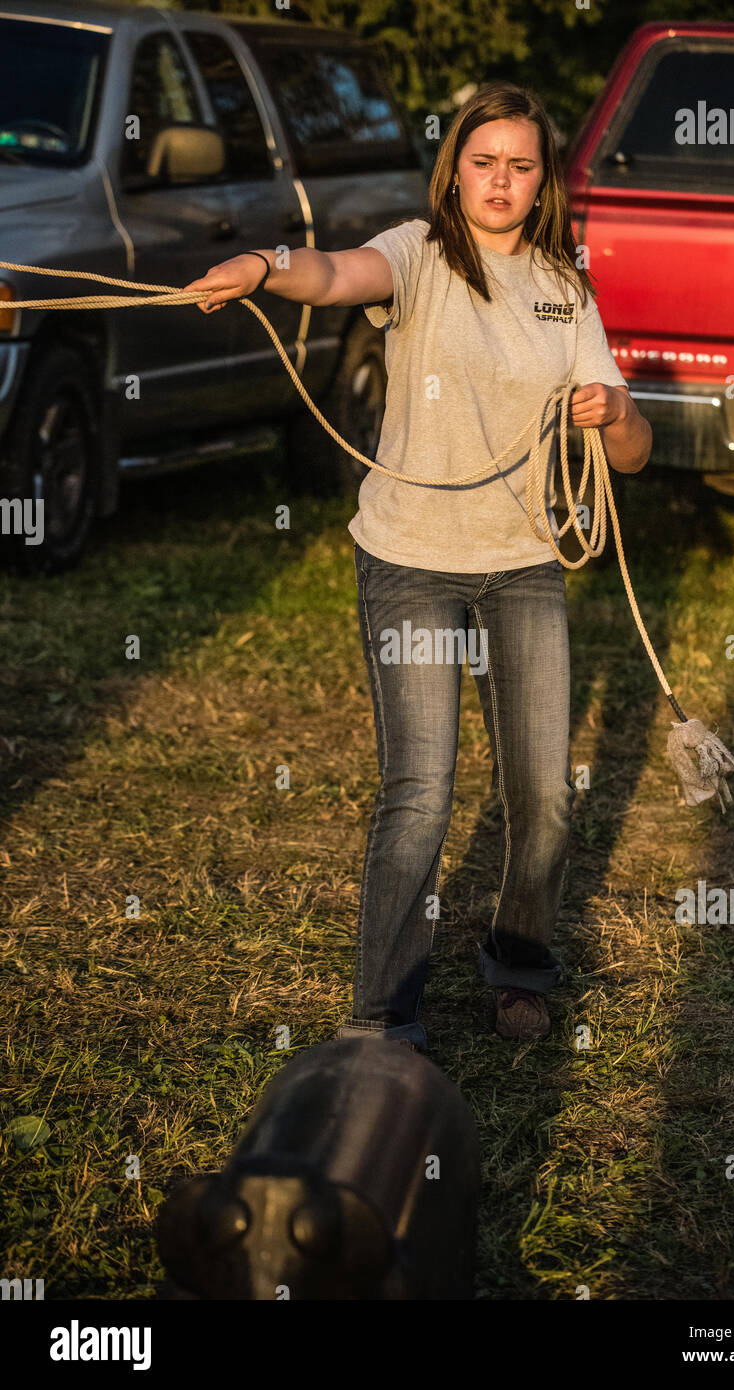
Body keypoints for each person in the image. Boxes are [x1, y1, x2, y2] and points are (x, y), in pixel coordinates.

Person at [184, 81, 651, 1053]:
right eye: (485, 161)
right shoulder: (421, 254)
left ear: (543, 180)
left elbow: (634, 451)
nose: (502, 180)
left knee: (546, 793)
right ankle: (385, 1016)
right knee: (422, 793)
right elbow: (335, 275)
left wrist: (617, 417)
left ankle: (520, 962)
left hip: (524, 559)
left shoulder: (568, 290)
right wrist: (266, 264)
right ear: (457, 169)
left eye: (522, 165)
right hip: (413, 559)